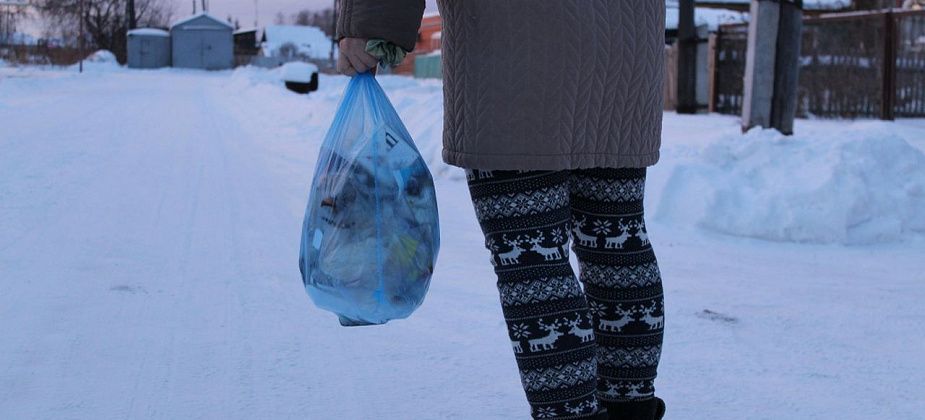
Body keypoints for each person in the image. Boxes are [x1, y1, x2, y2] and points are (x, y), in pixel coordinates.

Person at [335, 1, 667, 419]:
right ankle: (629, 409)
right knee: (617, 240)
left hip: (516, 47)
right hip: (626, 44)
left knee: (530, 255)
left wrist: (369, 24)